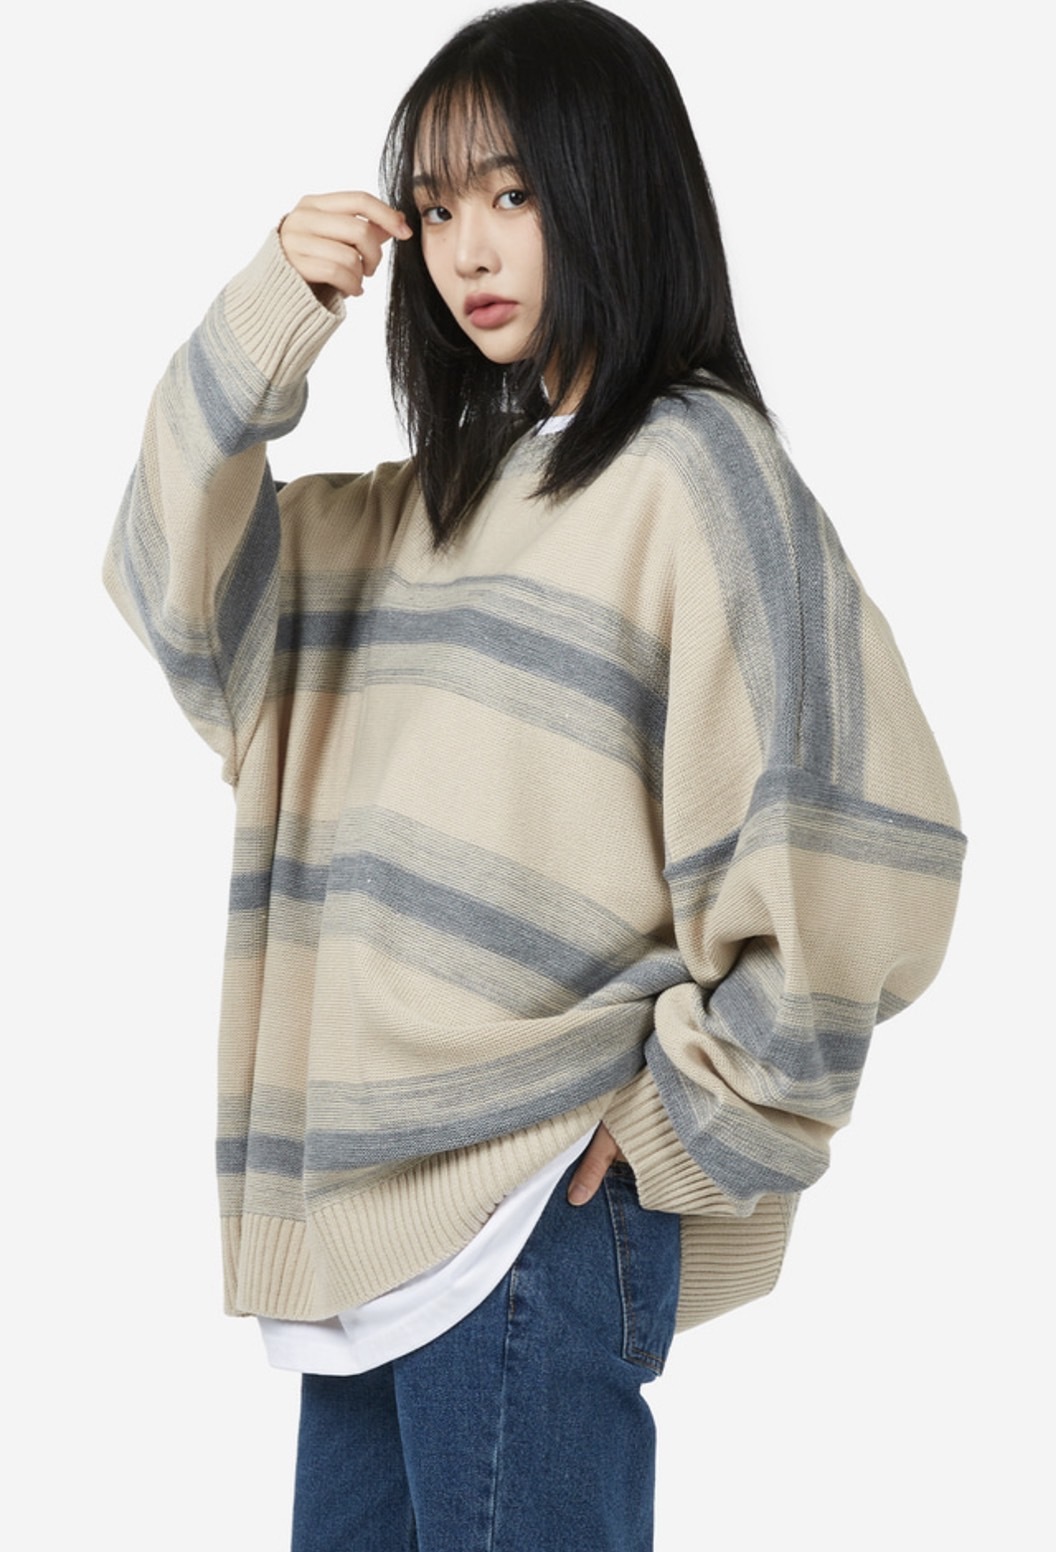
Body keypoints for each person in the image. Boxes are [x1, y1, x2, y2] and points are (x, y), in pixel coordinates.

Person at [104, 2, 965, 1546]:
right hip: (358, 1243)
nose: (468, 247)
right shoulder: (420, 511)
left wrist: (679, 1119)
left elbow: (864, 845)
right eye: (436, 208)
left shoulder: (695, 473)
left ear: (611, 187)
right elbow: (171, 578)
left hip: (534, 1220)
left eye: (512, 192)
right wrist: (268, 311)